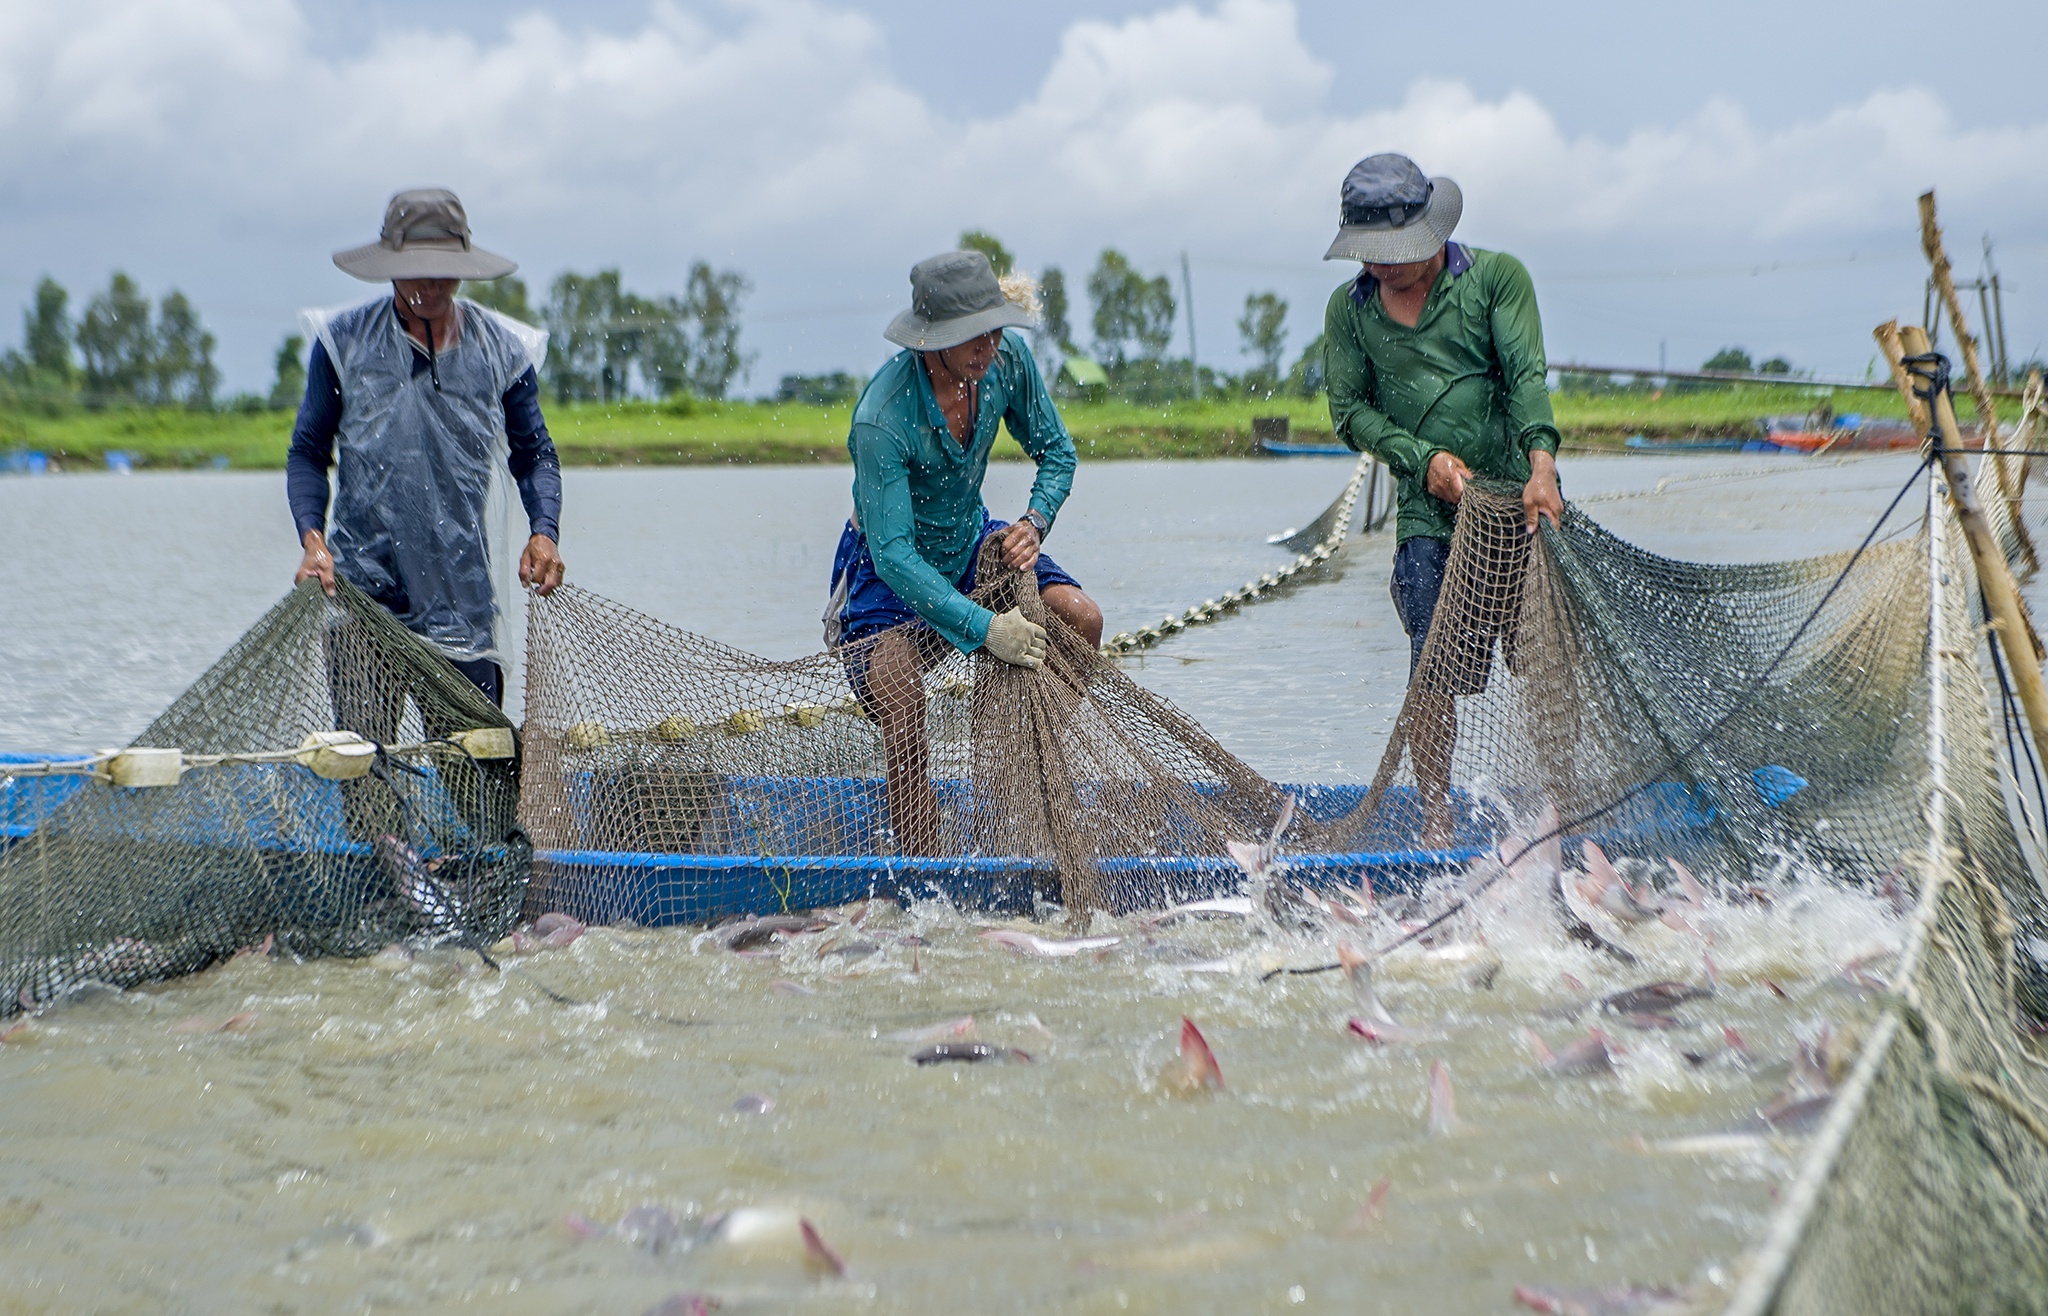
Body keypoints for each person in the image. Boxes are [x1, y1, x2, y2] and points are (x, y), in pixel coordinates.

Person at [826, 250, 1103, 855]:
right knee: (901, 698)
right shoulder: (882, 418)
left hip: (971, 542)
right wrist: (985, 628)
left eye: (996, 329)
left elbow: (1058, 453)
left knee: (1082, 621)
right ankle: (926, 870)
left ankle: (1016, 785)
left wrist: (1035, 521)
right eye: (973, 336)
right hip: (883, 576)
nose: (989, 345)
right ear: (933, 342)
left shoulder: (1004, 363)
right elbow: (896, 556)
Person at [1320, 153, 1563, 841]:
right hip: (1429, 515)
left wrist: (1541, 467)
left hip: (1519, 501)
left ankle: (1562, 806)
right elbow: (1349, 412)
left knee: (1543, 661)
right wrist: (1421, 460)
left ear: (1433, 231)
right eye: (1371, 256)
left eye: (1395, 252)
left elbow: (1526, 377)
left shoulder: (1494, 279)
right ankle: (1436, 814)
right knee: (1430, 670)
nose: (1383, 268)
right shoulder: (1351, 311)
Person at [286, 188, 565, 709]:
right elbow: (308, 452)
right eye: (416, 269)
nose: (431, 284)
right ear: (390, 267)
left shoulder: (501, 351)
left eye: (443, 270)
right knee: (366, 771)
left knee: (476, 769)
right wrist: (312, 538)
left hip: (463, 600)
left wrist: (543, 532)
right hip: (363, 598)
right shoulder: (343, 343)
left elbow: (534, 455)